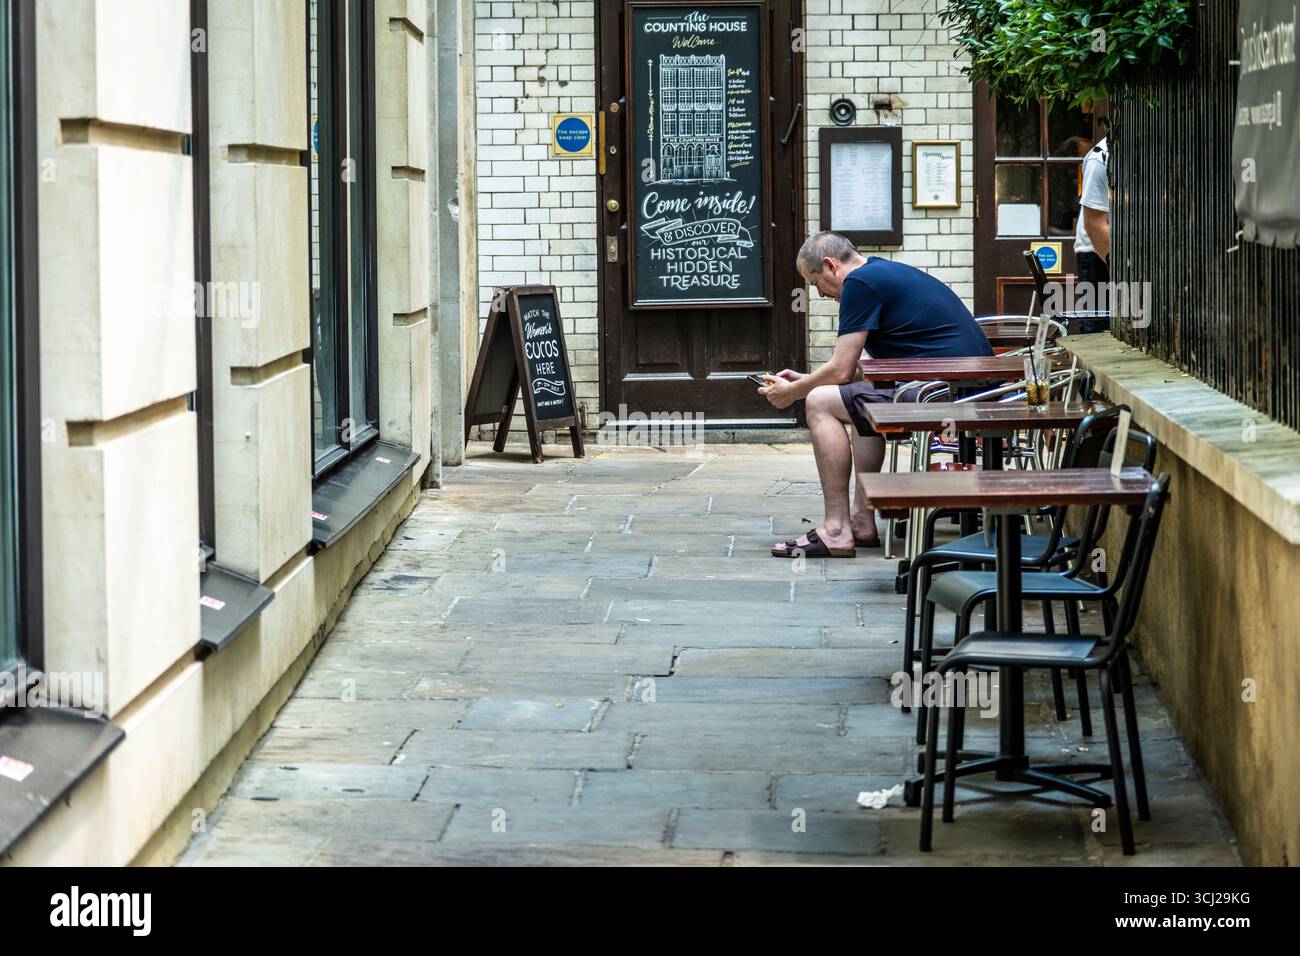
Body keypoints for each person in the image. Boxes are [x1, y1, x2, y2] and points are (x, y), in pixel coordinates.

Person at [764, 232, 992, 558]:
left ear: (830, 266)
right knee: (854, 399)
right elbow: (863, 372)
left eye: (816, 282)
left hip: (944, 395)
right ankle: (860, 520)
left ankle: (836, 529)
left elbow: (842, 370)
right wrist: (806, 379)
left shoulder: (859, 284)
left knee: (818, 403)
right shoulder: (879, 272)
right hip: (963, 390)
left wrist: (796, 392)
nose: (820, 293)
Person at [1074, 135, 1110, 334]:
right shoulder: (1101, 157)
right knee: (1097, 328)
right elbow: (1093, 223)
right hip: (1097, 251)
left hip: (1118, 250)